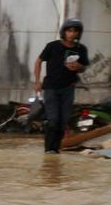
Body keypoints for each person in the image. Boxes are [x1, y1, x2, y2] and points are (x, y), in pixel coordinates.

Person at [34, 18, 91, 154]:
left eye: (75, 31)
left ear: (79, 33)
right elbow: (39, 61)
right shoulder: (52, 46)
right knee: (53, 119)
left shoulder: (81, 49)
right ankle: (49, 150)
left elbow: (83, 67)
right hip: (51, 87)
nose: (72, 34)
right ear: (64, 32)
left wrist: (78, 66)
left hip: (68, 88)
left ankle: (56, 149)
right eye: (69, 30)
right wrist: (37, 81)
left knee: (63, 120)